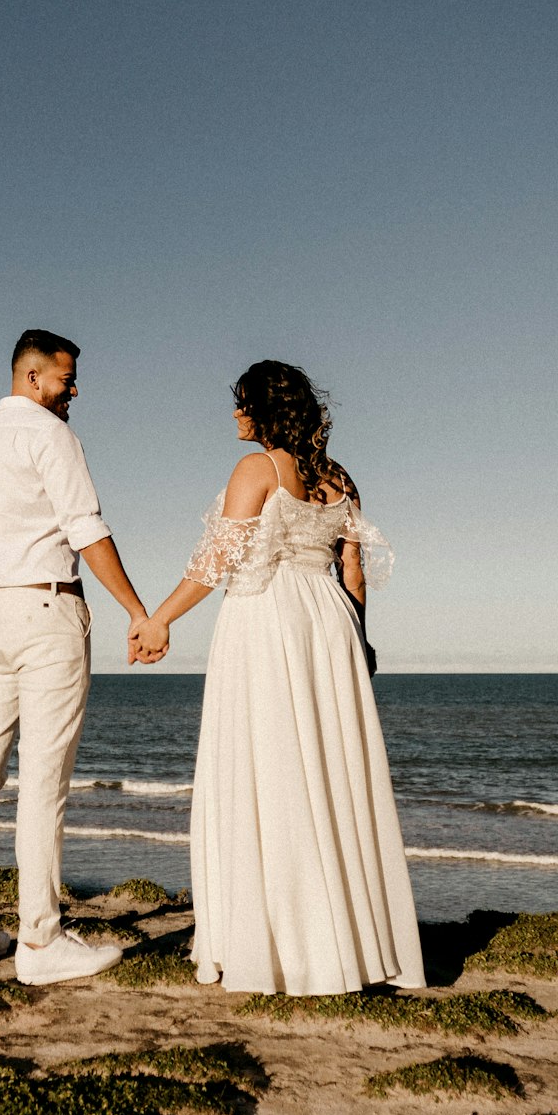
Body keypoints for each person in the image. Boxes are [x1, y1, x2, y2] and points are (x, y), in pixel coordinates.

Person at [131, 360, 425, 996]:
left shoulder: (256, 470)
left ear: (265, 411)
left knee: (270, 771)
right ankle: (347, 944)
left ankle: (282, 949)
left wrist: (159, 620)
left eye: (243, 405)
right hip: (330, 625)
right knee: (331, 771)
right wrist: (361, 640)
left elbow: (218, 560)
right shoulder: (337, 478)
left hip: (266, 624)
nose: (236, 416)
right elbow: (354, 571)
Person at [0, 329, 161, 983]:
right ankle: (40, 940)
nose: (74, 391)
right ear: (33, 377)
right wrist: (135, 609)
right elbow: (86, 527)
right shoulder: (49, 435)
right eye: (66, 379)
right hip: (45, 609)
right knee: (42, 779)